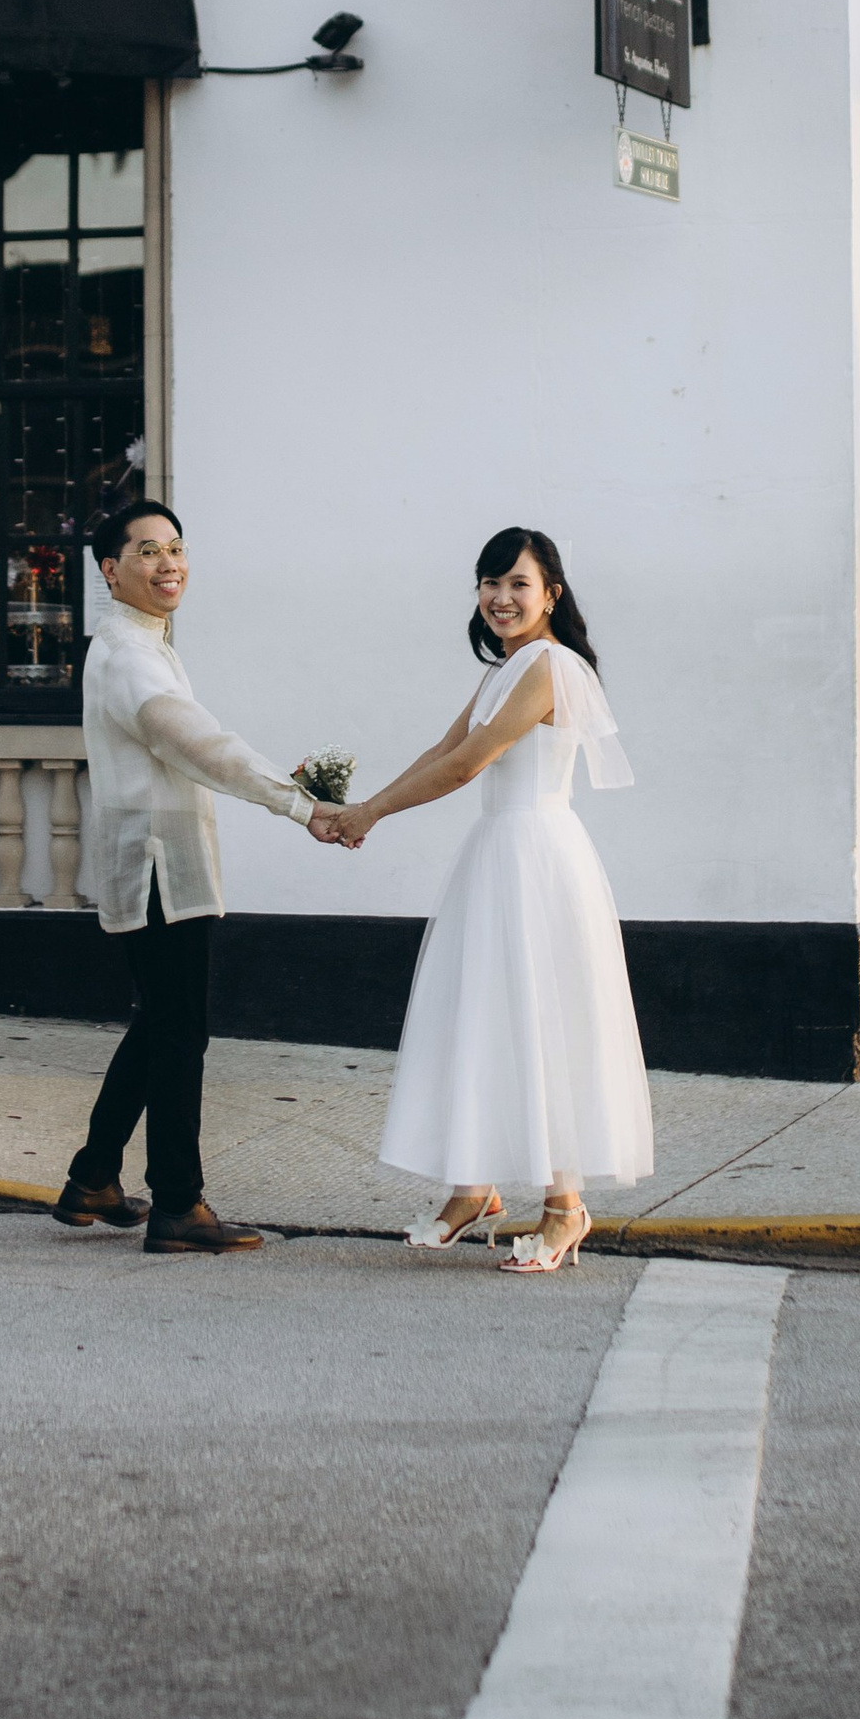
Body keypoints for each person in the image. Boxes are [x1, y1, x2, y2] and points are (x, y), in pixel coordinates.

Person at [332, 525, 652, 1275]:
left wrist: (371, 814)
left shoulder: (551, 666)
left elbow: (467, 766)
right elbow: (442, 751)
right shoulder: (504, 670)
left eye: (518, 584)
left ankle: (565, 1208)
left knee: (544, 1020)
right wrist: (361, 808)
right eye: (490, 583)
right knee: (480, 1012)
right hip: (497, 854)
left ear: (552, 595)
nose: (501, 597)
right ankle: (473, 1191)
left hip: (537, 857)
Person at [54, 497, 339, 1253]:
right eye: (147, 551)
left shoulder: (143, 644)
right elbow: (199, 744)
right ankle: (179, 1205)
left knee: (160, 1024)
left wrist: (290, 790)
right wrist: (298, 803)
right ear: (110, 570)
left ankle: (94, 1178)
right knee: (180, 1034)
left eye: (175, 547)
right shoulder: (129, 657)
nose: (168, 563)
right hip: (159, 866)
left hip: (161, 861)